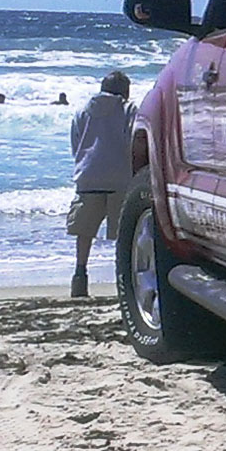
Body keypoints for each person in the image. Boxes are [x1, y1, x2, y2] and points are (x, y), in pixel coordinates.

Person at [66, 71, 135, 299]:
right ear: (124, 91)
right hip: (120, 177)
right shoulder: (128, 109)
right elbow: (133, 140)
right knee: (124, 234)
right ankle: (124, 280)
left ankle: (80, 275)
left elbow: (76, 143)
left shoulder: (83, 110)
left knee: (84, 233)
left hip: (88, 176)